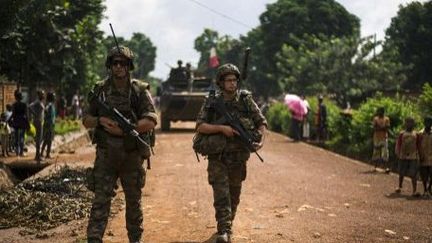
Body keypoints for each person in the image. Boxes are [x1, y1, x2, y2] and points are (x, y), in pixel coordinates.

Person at [82, 45, 157, 243]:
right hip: (106, 155)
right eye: (115, 63)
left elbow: (150, 120)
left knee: (133, 201)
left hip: (131, 154)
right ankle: (94, 238)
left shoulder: (139, 90)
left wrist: (126, 128)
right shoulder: (100, 90)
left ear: (129, 65)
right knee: (101, 199)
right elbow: (86, 119)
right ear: (110, 65)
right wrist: (100, 121)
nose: (118, 67)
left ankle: (135, 239)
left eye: (123, 63)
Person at [195, 63, 267, 243]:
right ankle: (223, 230)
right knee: (221, 195)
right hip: (217, 157)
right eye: (228, 80)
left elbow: (261, 122)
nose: (232, 83)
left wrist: (260, 142)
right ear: (220, 82)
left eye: (234, 80)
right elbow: (200, 126)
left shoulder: (245, 99)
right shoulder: (211, 101)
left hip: (238, 157)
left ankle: (229, 224)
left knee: (234, 195)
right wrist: (221, 128)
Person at [395, 117, 419, 196]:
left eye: (411, 122)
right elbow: (398, 143)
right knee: (401, 172)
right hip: (403, 155)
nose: (409, 124)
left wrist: (418, 154)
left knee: (413, 174)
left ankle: (414, 190)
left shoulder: (416, 134)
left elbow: (418, 144)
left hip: (413, 155)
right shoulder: (402, 133)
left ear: (413, 124)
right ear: (405, 123)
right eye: (408, 122)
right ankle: (399, 186)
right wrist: (397, 152)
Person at [9, 90, 29, 157]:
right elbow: (26, 115)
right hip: (23, 121)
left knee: (16, 137)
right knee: (22, 137)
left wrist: (8, 119)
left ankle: (17, 153)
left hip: (16, 121)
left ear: (16, 97)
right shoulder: (24, 104)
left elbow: (13, 114)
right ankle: (21, 153)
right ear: (21, 97)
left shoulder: (14, 105)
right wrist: (28, 123)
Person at [371, 107, 390, 173]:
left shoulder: (386, 119)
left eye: (381, 111)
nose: (380, 113)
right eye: (379, 111)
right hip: (376, 137)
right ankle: (375, 167)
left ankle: (386, 168)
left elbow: (387, 128)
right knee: (376, 152)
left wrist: (379, 127)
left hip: (384, 137)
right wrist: (382, 128)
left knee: (385, 153)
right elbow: (374, 128)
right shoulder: (375, 119)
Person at [29, 90, 45, 162]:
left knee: (39, 138)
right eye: (42, 94)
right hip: (37, 121)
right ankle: (37, 156)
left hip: (40, 121)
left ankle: (37, 155)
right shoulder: (37, 101)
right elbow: (29, 106)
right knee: (38, 139)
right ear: (39, 95)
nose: (43, 95)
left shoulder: (40, 102)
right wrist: (35, 114)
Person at [417, 116, 432, 196]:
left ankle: (429, 187)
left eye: (429, 122)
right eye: (426, 122)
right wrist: (420, 155)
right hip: (423, 156)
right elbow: (418, 145)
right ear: (424, 123)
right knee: (424, 174)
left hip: (431, 156)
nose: (428, 124)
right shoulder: (420, 133)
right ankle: (425, 189)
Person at [41, 92, 56, 159]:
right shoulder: (49, 104)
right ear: (51, 97)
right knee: (48, 140)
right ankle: (46, 154)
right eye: (54, 96)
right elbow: (45, 109)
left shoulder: (51, 104)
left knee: (47, 140)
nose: (55, 97)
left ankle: (44, 153)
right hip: (48, 124)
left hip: (50, 124)